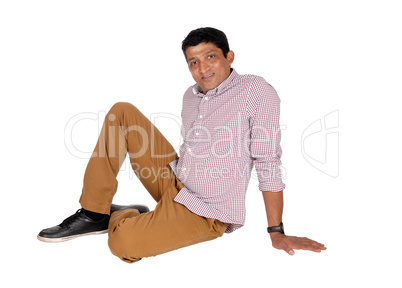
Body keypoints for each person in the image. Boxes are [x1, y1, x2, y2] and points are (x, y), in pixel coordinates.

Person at [38, 27, 326, 263]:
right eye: (193, 62)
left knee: (122, 243)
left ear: (229, 56)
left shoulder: (255, 91)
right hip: (175, 181)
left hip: (205, 212)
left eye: (210, 56)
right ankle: (94, 212)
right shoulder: (191, 96)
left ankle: (125, 215)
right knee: (122, 111)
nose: (202, 68)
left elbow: (268, 161)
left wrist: (276, 231)